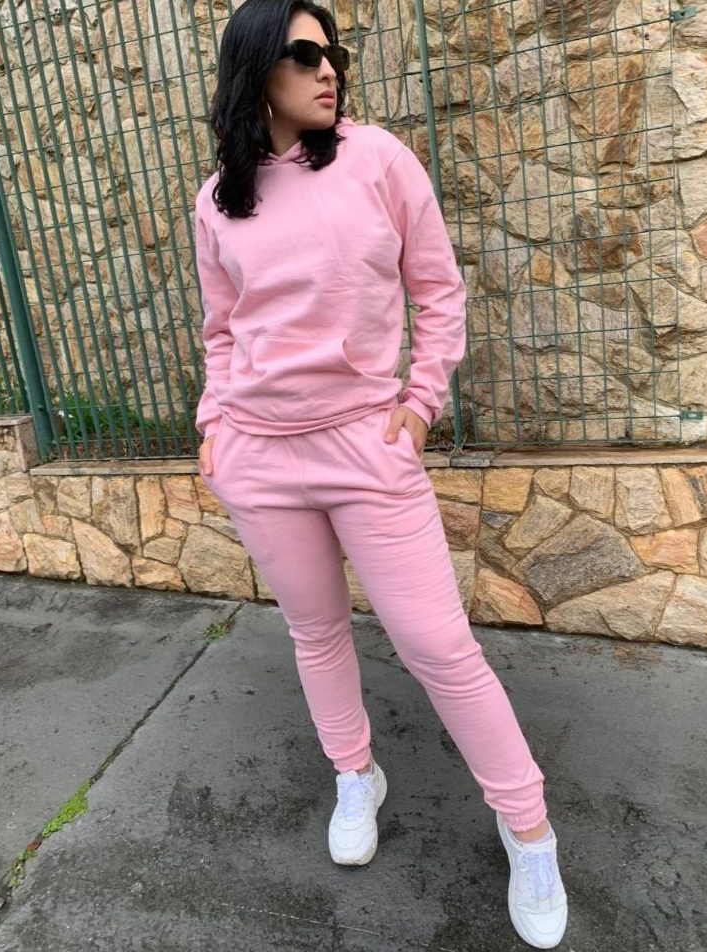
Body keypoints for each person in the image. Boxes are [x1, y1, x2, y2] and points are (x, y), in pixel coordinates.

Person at [193, 1, 567, 946]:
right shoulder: (218, 199)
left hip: (367, 446)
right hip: (259, 456)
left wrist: (421, 404)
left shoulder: (379, 161)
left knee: (439, 645)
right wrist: (214, 426)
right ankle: (354, 773)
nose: (329, 70)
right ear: (255, 70)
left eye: (336, 53)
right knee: (316, 632)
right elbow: (222, 331)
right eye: (304, 54)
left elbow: (438, 289)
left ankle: (530, 830)